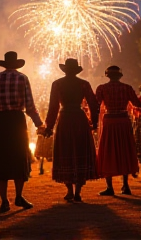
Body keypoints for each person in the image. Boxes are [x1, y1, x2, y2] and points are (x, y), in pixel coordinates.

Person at [0, 51, 44, 213]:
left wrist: (0, 110)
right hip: (17, 121)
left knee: (0, 160)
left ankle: (4, 201)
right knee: (19, 158)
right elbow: (30, 106)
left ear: (4, 64)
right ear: (17, 64)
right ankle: (19, 197)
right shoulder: (22, 78)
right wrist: (39, 124)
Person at [43, 58, 99, 202]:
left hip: (65, 119)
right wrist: (95, 122)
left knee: (65, 151)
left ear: (65, 70)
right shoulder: (84, 84)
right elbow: (93, 105)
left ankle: (69, 191)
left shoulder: (57, 84)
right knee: (80, 150)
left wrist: (49, 126)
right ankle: (78, 192)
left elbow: (53, 107)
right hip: (80, 118)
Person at [96, 66, 141, 196]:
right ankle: (125, 185)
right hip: (123, 120)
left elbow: (96, 105)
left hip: (110, 121)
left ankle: (109, 187)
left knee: (108, 151)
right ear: (120, 76)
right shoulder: (127, 88)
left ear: (107, 75)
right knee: (124, 150)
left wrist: (92, 121)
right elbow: (136, 103)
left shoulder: (102, 88)